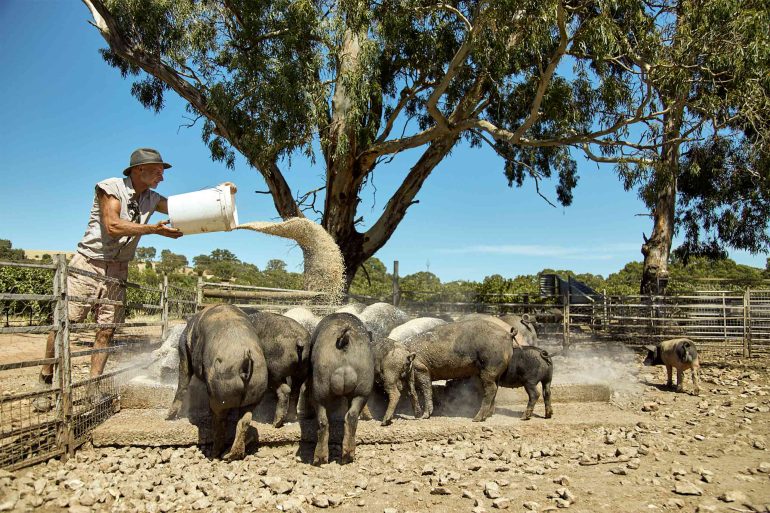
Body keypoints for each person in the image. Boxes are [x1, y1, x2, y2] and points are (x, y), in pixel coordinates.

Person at [33, 148, 231, 411]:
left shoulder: (152, 198)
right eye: (158, 171)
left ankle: (93, 387)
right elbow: (113, 225)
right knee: (65, 325)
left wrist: (220, 194)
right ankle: (47, 381)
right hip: (89, 263)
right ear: (139, 170)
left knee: (106, 331)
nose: (162, 176)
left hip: (118, 269)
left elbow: (181, 208)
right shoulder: (111, 189)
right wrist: (153, 230)